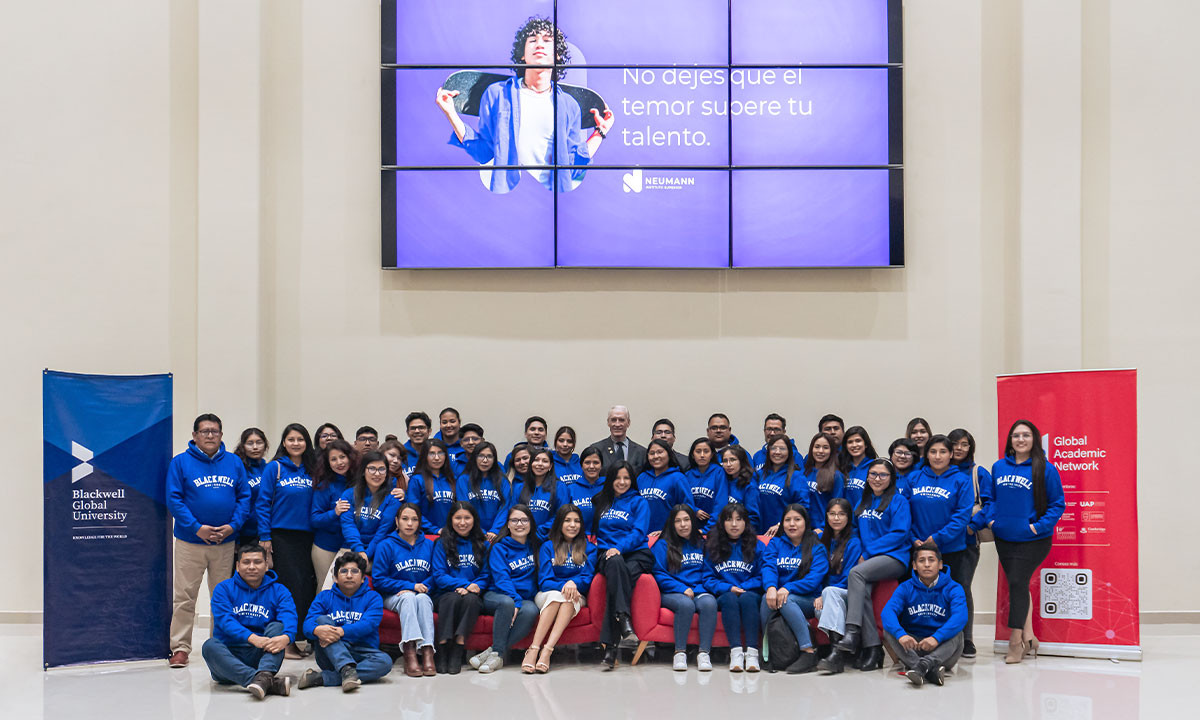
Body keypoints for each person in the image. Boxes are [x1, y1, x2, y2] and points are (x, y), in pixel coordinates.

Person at [435, 15, 614, 193]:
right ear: (522, 54)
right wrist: (451, 113)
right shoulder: (496, 94)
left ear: (557, 55)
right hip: (507, 194)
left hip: (551, 197)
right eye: (532, 40)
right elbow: (483, 151)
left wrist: (600, 132)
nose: (539, 45)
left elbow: (571, 166)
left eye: (546, 40)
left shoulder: (569, 106)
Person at [167, 413, 251, 668]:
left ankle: (220, 644)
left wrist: (233, 526)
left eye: (215, 431)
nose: (211, 436)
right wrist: (196, 528)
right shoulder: (180, 462)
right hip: (190, 543)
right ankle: (180, 647)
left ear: (222, 435)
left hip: (225, 543)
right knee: (184, 596)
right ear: (195, 436)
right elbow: (174, 499)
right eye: (205, 431)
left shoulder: (234, 462)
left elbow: (244, 497)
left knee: (223, 597)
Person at [978, 419, 1065, 664]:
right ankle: (1030, 636)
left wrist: (1037, 527)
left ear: (1034, 439)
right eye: (1016, 435)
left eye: (1026, 435)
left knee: (1017, 581)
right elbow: (991, 499)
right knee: (1019, 585)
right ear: (1010, 441)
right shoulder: (998, 467)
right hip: (1005, 537)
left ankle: (1015, 641)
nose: (1020, 439)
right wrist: (993, 521)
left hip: (1034, 539)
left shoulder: (1045, 469)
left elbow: (1057, 504)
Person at [834, 459, 911, 672]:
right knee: (863, 591)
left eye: (883, 475)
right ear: (867, 477)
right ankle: (873, 649)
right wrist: (860, 551)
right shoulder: (862, 501)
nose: (877, 479)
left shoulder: (899, 501)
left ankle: (852, 632)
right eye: (873, 474)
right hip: (868, 559)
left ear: (891, 478)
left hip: (894, 558)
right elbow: (856, 532)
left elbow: (899, 534)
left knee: (856, 575)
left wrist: (868, 552)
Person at [906, 435, 974, 650]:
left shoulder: (961, 480)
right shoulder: (914, 478)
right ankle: (922, 638)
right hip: (918, 548)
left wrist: (936, 539)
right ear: (926, 454)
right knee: (921, 595)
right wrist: (914, 539)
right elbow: (904, 513)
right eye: (933, 451)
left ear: (951, 454)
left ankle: (966, 639)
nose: (937, 456)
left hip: (952, 549)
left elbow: (962, 517)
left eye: (943, 452)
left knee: (959, 592)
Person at [256, 422, 317, 659]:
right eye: (291, 439)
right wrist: (265, 537)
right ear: (284, 442)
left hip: (309, 537)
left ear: (306, 443)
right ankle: (286, 642)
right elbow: (262, 503)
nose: (295, 443)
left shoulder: (312, 470)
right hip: (282, 536)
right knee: (289, 589)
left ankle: (301, 637)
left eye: (300, 439)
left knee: (305, 588)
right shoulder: (275, 468)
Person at [202, 544, 295, 698]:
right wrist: (252, 638)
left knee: (278, 628)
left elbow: (289, 617)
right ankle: (263, 680)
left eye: (257, 562)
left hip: (261, 657)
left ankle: (263, 675)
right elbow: (225, 622)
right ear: (238, 566)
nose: (252, 567)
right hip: (228, 660)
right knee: (209, 646)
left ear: (266, 566)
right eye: (246, 562)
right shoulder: (223, 589)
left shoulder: (279, 590)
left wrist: (287, 637)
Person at [299, 552, 392, 691]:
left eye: (354, 571)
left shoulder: (373, 597)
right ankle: (346, 669)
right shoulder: (324, 597)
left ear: (362, 578)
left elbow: (369, 624)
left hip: (362, 651)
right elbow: (307, 625)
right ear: (335, 578)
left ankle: (324, 678)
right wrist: (316, 630)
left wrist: (342, 631)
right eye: (344, 571)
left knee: (385, 662)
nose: (349, 575)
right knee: (322, 620)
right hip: (331, 653)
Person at [591, 461, 651, 669]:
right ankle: (624, 619)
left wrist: (620, 547)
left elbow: (639, 532)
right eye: (618, 478)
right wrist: (612, 550)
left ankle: (611, 648)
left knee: (616, 583)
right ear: (610, 480)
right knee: (616, 568)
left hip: (636, 554)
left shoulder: (639, 502)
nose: (622, 482)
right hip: (607, 555)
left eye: (626, 478)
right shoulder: (601, 501)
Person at [881, 543, 968, 687]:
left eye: (931, 560)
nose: (927, 565)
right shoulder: (905, 587)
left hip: (942, 650)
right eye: (922, 561)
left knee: (958, 633)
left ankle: (922, 667)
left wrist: (936, 637)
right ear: (914, 566)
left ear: (940, 564)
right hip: (914, 648)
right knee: (889, 630)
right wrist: (901, 635)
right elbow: (887, 612)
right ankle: (928, 670)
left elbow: (961, 616)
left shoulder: (954, 588)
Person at [527, 504, 596, 673]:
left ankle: (545, 650)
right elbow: (544, 581)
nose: (572, 525)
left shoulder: (590, 548)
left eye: (577, 521)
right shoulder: (547, 547)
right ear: (559, 523)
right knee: (559, 596)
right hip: (547, 594)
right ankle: (535, 649)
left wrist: (574, 584)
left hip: (576, 595)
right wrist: (566, 584)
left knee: (566, 598)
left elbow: (587, 580)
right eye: (567, 520)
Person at [760, 504, 828, 674]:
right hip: (783, 595)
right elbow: (768, 566)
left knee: (786, 600)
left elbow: (813, 580)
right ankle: (769, 654)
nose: (792, 524)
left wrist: (787, 588)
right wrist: (771, 587)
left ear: (806, 522)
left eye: (797, 520)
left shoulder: (817, 547)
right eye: (787, 520)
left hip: (809, 600)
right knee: (765, 599)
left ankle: (808, 652)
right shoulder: (775, 543)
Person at [473, 505, 540, 674]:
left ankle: (495, 652)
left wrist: (520, 601)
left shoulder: (536, 545)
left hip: (524, 598)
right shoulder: (498, 547)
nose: (520, 524)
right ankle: (498, 654)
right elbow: (502, 578)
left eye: (524, 520)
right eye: (515, 520)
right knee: (507, 603)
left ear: (531, 523)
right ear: (508, 524)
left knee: (531, 610)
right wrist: (516, 601)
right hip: (497, 594)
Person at [372, 503, 437, 677]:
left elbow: (436, 574)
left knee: (421, 599)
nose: (409, 523)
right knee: (409, 597)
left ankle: (428, 652)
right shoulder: (385, 545)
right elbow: (378, 580)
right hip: (393, 596)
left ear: (419, 522)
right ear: (397, 521)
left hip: (423, 594)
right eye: (405, 519)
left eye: (414, 519)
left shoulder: (429, 545)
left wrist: (422, 588)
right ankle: (409, 653)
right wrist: (408, 586)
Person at [652, 505, 716, 672]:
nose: (683, 525)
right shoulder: (662, 545)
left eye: (686, 520)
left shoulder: (703, 543)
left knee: (710, 603)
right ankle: (680, 652)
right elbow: (658, 573)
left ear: (693, 522)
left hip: (699, 589)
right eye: (678, 521)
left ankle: (704, 653)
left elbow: (709, 570)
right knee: (685, 605)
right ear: (672, 524)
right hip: (673, 592)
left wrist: (701, 589)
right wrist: (681, 588)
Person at [704, 503, 765, 672]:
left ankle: (752, 653)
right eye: (729, 519)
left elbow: (763, 575)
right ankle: (736, 652)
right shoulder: (712, 545)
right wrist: (728, 588)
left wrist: (744, 586)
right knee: (730, 599)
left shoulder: (757, 545)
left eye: (739, 519)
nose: (734, 524)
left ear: (746, 522)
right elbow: (707, 578)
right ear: (722, 523)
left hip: (749, 592)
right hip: (725, 593)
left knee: (747, 598)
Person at [431, 502, 489, 674]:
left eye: (467, 518)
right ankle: (442, 647)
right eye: (458, 518)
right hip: (445, 594)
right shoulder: (441, 543)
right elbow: (439, 576)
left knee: (471, 600)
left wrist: (474, 587)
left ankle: (459, 646)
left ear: (474, 520)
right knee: (453, 598)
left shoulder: (482, 544)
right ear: (451, 520)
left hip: (473, 593)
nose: (462, 522)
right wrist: (464, 585)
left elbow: (486, 575)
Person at [948, 427, 990, 658]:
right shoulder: (940, 471)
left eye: (964, 444)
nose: (959, 448)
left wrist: (973, 525)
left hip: (966, 542)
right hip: (941, 542)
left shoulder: (978, 472)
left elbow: (991, 503)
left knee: (962, 588)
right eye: (955, 444)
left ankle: (967, 639)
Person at [815, 498, 863, 674]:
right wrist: (819, 593)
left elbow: (849, 576)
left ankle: (835, 654)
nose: (836, 518)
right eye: (832, 514)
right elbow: (815, 571)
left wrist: (824, 593)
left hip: (847, 592)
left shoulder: (854, 542)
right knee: (820, 610)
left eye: (841, 514)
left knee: (829, 594)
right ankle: (837, 655)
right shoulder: (819, 539)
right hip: (826, 595)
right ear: (826, 516)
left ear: (848, 517)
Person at [339, 451, 402, 565]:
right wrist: (359, 550)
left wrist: (366, 555)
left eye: (382, 469)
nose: (377, 474)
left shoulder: (393, 498)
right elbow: (348, 525)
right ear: (363, 471)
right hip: (350, 548)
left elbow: (383, 531)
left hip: (380, 550)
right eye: (372, 469)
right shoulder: (348, 494)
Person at [310, 439, 354, 586]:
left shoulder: (361, 483)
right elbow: (315, 519)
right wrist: (334, 512)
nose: (339, 462)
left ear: (350, 457)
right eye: (333, 459)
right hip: (325, 547)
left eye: (342, 457)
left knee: (348, 590)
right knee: (325, 589)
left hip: (351, 545)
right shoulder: (324, 485)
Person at [754, 435, 809, 538]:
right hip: (760, 533)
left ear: (789, 452)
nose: (777, 452)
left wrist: (781, 525)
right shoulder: (760, 474)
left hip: (783, 534)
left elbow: (803, 508)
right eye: (773, 448)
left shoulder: (797, 477)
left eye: (782, 449)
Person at [636, 439, 692, 539]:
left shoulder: (678, 478)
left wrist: (668, 530)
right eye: (652, 453)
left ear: (669, 454)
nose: (656, 456)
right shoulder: (641, 478)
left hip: (668, 537)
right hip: (641, 537)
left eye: (660, 452)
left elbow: (687, 508)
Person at [456, 441, 512, 540]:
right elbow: (464, 507)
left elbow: (505, 507)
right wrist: (479, 531)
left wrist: (495, 530)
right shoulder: (463, 480)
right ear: (474, 458)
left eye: (489, 456)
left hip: (497, 535)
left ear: (494, 460)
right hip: (471, 533)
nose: (485, 460)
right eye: (481, 456)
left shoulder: (502, 481)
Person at [517, 447, 570, 540]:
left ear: (550, 466)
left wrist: (539, 532)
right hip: (522, 537)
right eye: (536, 460)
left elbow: (561, 514)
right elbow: (513, 512)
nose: (540, 464)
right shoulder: (519, 487)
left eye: (545, 461)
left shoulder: (560, 487)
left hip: (549, 538)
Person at [410, 439, 458, 535]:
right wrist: (434, 529)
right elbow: (413, 510)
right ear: (424, 456)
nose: (437, 458)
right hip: (426, 536)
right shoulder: (417, 480)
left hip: (452, 535)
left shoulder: (453, 480)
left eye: (440, 453)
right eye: (431, 454)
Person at [233, 427, 269, 548]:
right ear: (243, 446)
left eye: (259, 442)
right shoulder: (238, 468)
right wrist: (236, 537)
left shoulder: (268, 468)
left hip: (265, 532)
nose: (255, 447)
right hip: (243, 533)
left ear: (265, 445)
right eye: (250, 443)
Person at [587, 405, 648, 475]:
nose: (617, 424)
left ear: (628, 423)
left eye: (621, 420)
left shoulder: (641, 452)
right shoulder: (597, 449)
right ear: (608, 423)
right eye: (613, 420)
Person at [802, 433, 845, 531]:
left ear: (831, 451)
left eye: (825, 447)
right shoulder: (805, 473)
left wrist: (822, 527)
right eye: (817, 447)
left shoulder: (836, 476)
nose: (820, 451)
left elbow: (837, 507)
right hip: (803, 529)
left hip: (823, 530)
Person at [685, 438, 725, 533]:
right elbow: (684, 500)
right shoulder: (687, 475)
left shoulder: (719, 472)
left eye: (706, 451)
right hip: (691, 529)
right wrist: (694, 510)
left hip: (714, 529)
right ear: (693, 455)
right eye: (698, 452)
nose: (702, 455)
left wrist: (707, 529)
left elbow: (720, 504)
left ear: (712, 455)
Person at [718, 445, 761, 531]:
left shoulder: (750, 487)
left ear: (741, 461)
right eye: (725, 461)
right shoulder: (722, 482)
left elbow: (753, 519)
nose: (728, 464)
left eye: (733, 460)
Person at [839, 426, 879, 508]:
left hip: (865, 518)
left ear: (866, 444)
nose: (854, 445)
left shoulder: (875, 467)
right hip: (845, 518)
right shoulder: (842, 468)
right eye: (850, 442)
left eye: (858, 441)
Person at [566, 446, 605, 529]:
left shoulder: (609, 487)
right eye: (587, 462)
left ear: (601, 465)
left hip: (605, 538)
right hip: (578, 537)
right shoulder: (571, 489)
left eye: (596, 462)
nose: (591, 466)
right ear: (581, 465)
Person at [403, 412, 432, 477]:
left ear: (429, 431)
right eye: (413, 428)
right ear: (407, 432)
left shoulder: (437, 454)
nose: (417, 431)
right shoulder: (400, 454)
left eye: (421, 427)